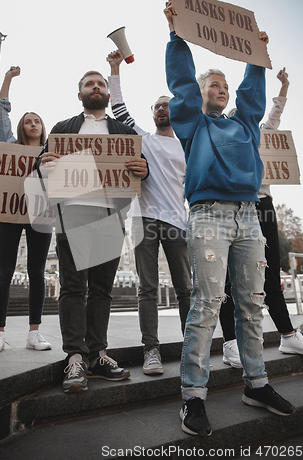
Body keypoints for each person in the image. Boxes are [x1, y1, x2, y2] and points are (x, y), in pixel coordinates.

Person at [164, 2, 295, 437]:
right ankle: (193, 396)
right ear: (202, 95)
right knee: (206, 304)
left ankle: (257, 383)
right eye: (214, 85)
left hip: (249, 218)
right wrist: (177, 37)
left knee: (251, 305)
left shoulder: (244, 124)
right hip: (209, 217)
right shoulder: (192, 124)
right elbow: (182, 84)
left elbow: (253, 94)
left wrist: (255, 56)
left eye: (224, 85)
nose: (221, 90)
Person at [38, 70, 148, 393]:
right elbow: (41, 168)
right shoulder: (62, 129)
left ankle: (97, 353)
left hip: (110, 217)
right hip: (72, 216)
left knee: (101, 289)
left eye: (100, 84)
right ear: (80, 94)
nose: (96, 87)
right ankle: (75, 356)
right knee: (73, 287)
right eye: (90, 84)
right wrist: (44, 165)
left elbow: (141, 168)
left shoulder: (123, 132)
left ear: (107, 94)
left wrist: (144, 168)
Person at [220, 68, 303, 368]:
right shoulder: (222, 137)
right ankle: (232, 342)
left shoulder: (261, 133)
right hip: (234, 207)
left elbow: (275, 114)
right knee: (230, 278)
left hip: (263, 206)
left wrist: (283, 85)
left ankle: (287, 334)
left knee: (270, 272)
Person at [107, 50, 192, 375]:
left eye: (167, 105)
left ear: (176, 112)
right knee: (147, 288)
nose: (162, 109)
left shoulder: (186, 145)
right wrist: (115, 68)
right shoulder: (143, 139)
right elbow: (119, 109)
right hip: (144, 219)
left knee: (185, 287)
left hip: (177, 222)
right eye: (157, 106)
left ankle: (190, 347)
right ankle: (151, 350)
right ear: (152, 114)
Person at [0, 66, 52, 354]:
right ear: (22, 127)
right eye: (28, 121)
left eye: (37, 121)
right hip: (8, 212)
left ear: (42, 127)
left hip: (39, 213)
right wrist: (8, 79)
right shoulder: (10, 145)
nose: (33, 124)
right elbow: (0, 116)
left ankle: (34, 333)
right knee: (4, 272)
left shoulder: (51, 151)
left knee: (37, 271)